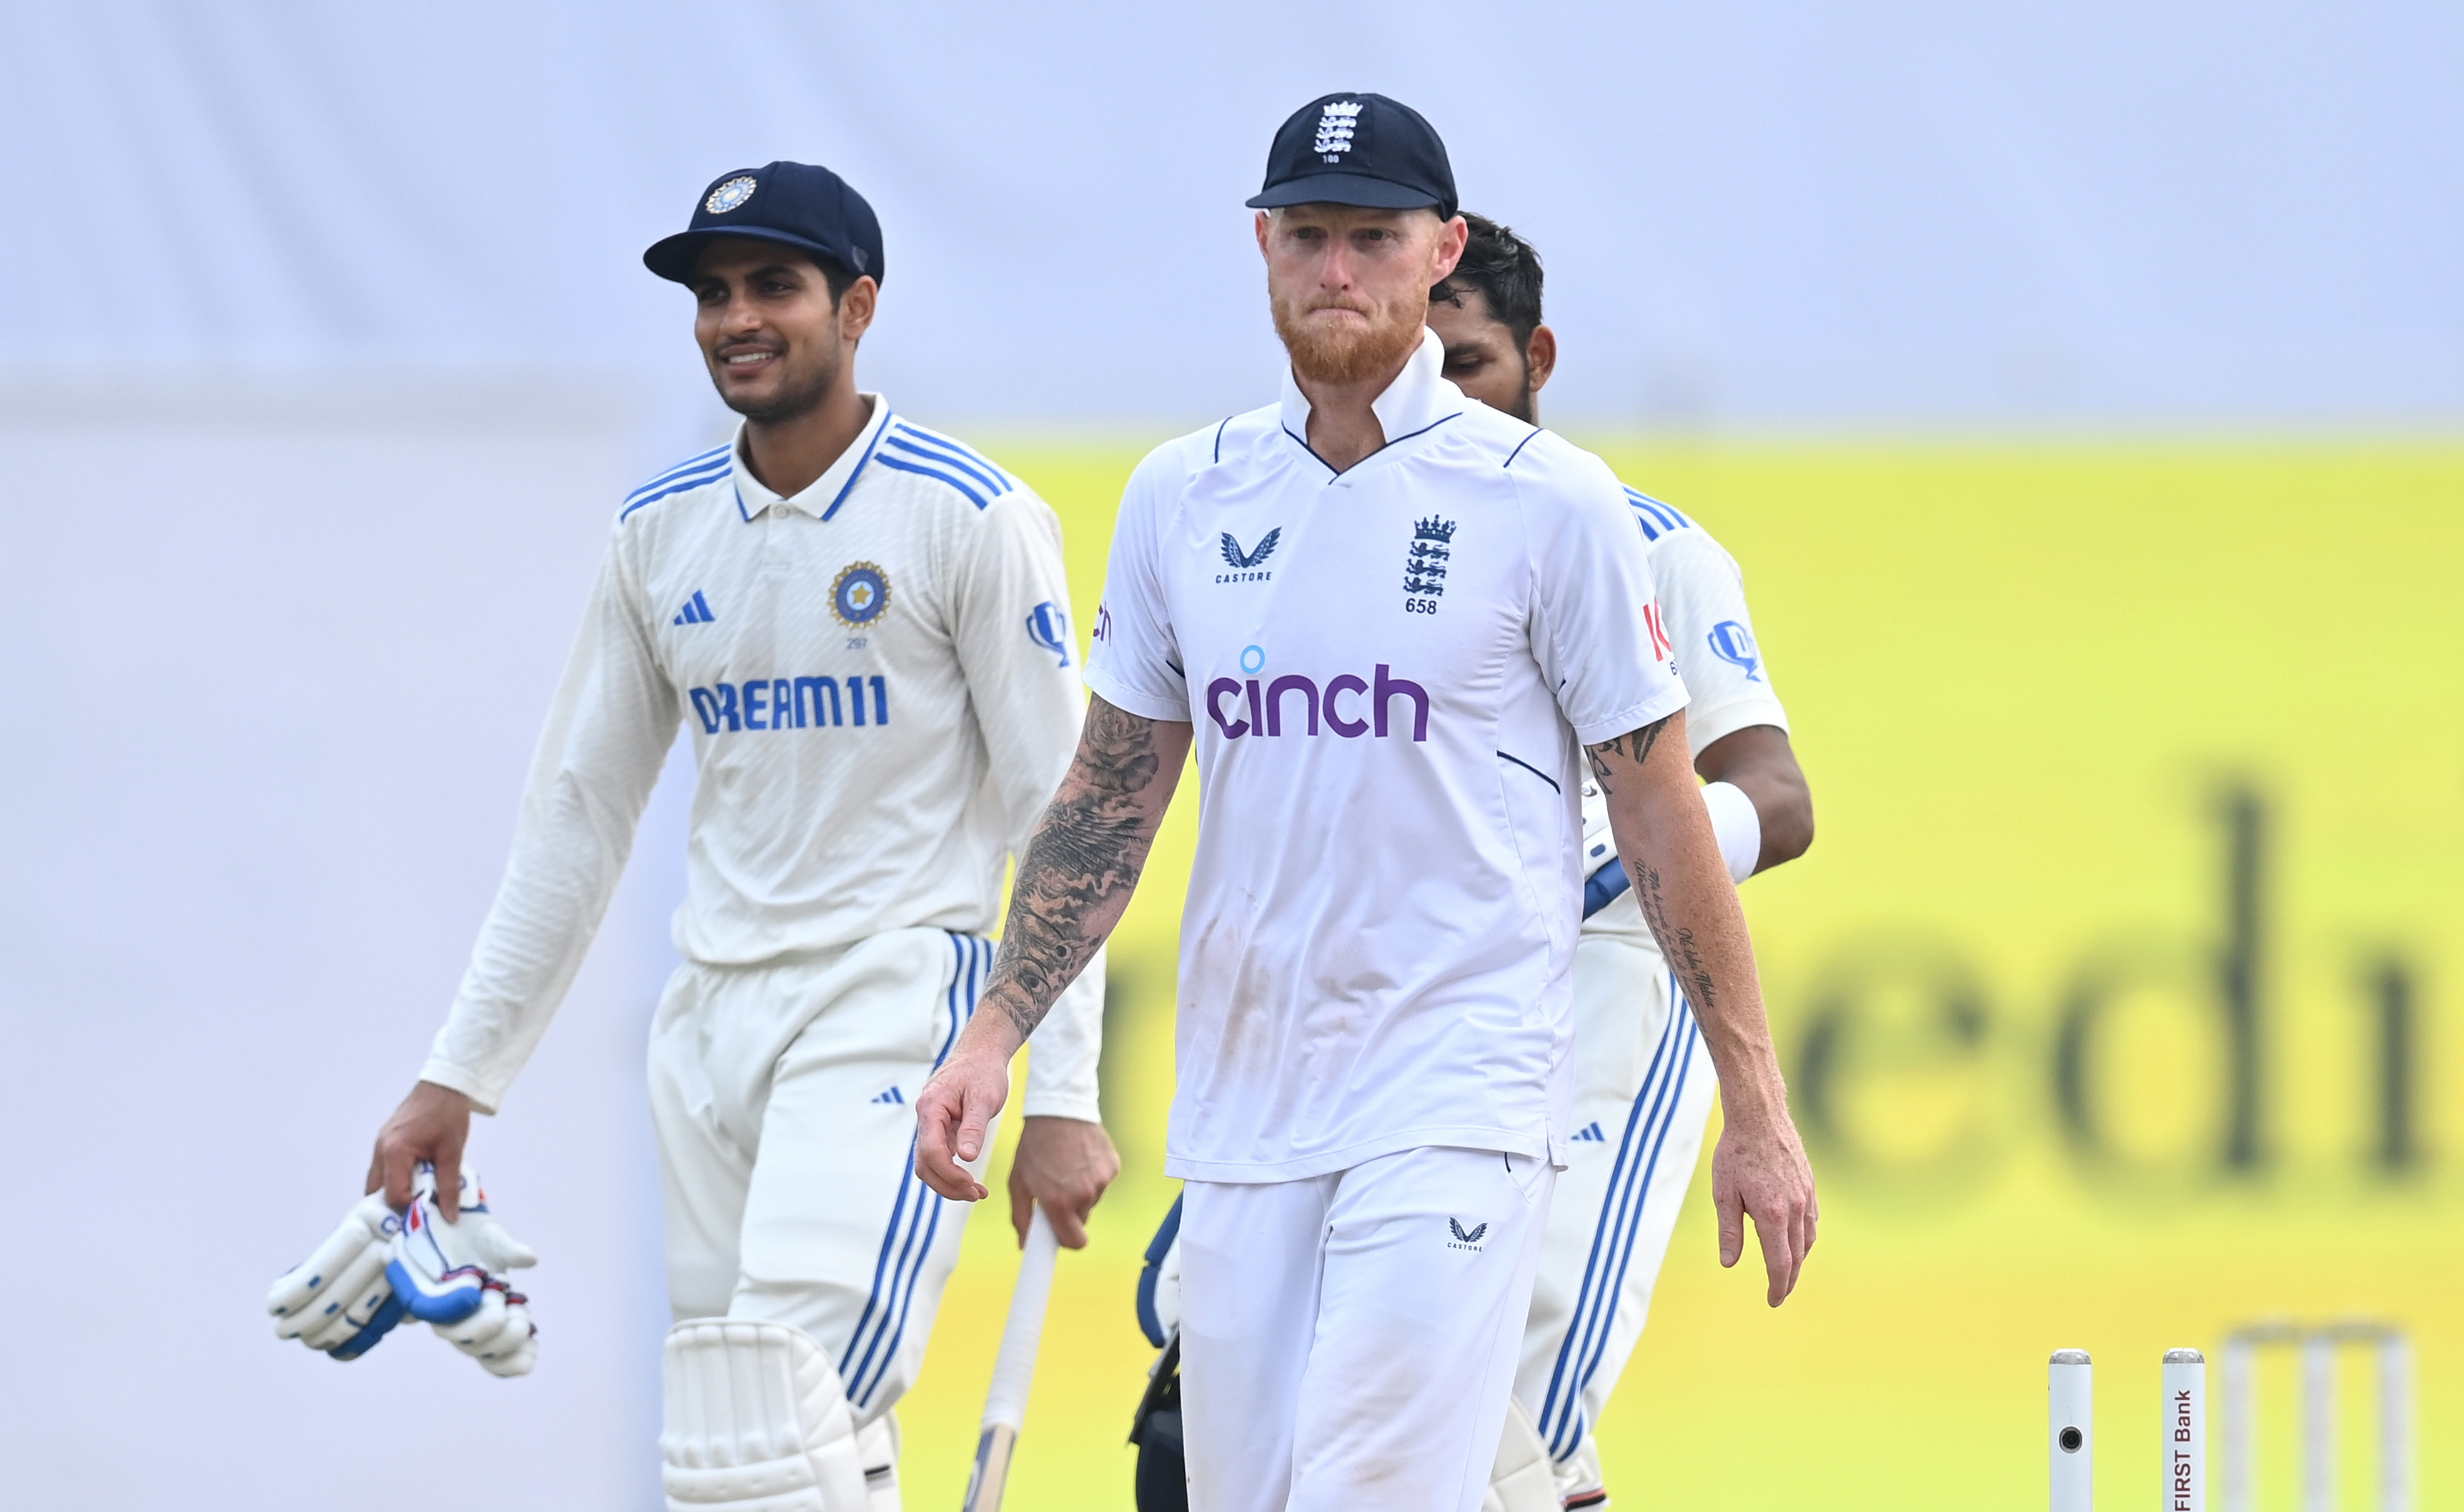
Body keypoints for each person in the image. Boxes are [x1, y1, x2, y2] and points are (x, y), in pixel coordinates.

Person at [913, 95, 1817, 1512]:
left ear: (1435, 248)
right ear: (1263, 245)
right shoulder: (1182, 495)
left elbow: (1660, 814)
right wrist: (994, 1028)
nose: (1337, 270)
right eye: (1309, 236)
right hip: (1243, 1102)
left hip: (1452, 1093)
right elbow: (1109, 792)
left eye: (1374, 240)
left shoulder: (1554, 505)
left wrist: (1755, 1104)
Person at [357, 161, 1116, 1512]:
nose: (735, 318)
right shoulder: (659, 534)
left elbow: (1066, 817)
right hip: (707, 1028)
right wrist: (458, 1076)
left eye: (775, 285)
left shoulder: (969, 514)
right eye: (713, 294)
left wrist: (1059, 1092)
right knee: (749, 1457)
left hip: (890, 1004)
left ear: (859, 306)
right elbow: (574, 824)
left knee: (775, 1413)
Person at [1429, 214, 1817, 1510]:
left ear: (1536, 355)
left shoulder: (1649, 542)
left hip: (1608, 969)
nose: (1440, 399)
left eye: (1468, 364)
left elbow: (1778, 793)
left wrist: (1627, 859)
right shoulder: (1354, 535)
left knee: (1528, 1376)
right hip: (1418, 979)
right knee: (1409, 1398)